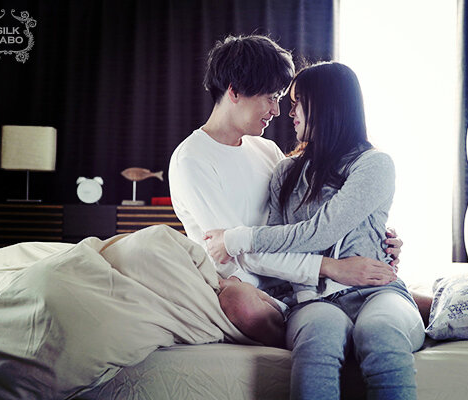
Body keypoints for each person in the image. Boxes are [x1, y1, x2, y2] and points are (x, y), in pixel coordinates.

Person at [205, 62, 426, 399]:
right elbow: (276, 248)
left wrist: (235, 238)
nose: (289, 112)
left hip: (377, 292)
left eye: (298, 103)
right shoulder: (285, 172)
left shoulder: (374, 164)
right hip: (311, 299)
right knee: (320, 336)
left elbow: (321, 230)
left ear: (327, 106)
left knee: (380, 331)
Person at [168, 35, 403, 348]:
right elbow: (240, 251)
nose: (277, 111)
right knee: (239, 300)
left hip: (298, 281)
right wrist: (331, 268)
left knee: (398, 301)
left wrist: (375, 237)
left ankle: (353, 324)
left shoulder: (266, 150)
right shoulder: (192, 159)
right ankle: (329, 336)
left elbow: (305, 217)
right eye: (270, 98)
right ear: (234, 92)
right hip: (251, 286)